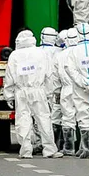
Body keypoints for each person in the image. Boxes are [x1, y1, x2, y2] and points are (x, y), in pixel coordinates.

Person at [6, 30, 62, 159]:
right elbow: (49, 74)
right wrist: (49, 93)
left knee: (23, 120)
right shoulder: (40, 53)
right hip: (38, 90)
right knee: (44, 119)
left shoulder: (14, 55)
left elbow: (9, 77)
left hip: (21, 92)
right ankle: (49, 149)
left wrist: (8, 95)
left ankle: (26, 150)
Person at [63, 23, 89, 159]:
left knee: (83, 116)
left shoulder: (72, 52)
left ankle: (87, 149)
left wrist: (83, 83)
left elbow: (70, 69)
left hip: (80, 88)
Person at [57, 28, 80, 156]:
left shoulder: (60, 55)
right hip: (81, 88)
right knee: (84, 117)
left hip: (66, 89)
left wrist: (55, 91)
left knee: (67, 117)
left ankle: (69, 147)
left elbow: (54, 76)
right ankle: (85, 146)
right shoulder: (82, 52)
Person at [39, 28, 64, 151]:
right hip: (55, 89)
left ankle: (39, 143)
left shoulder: (36, 52)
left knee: (39, 117)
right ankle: (55, 143)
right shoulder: (59, 51)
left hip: (39, 89)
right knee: (56, 116)